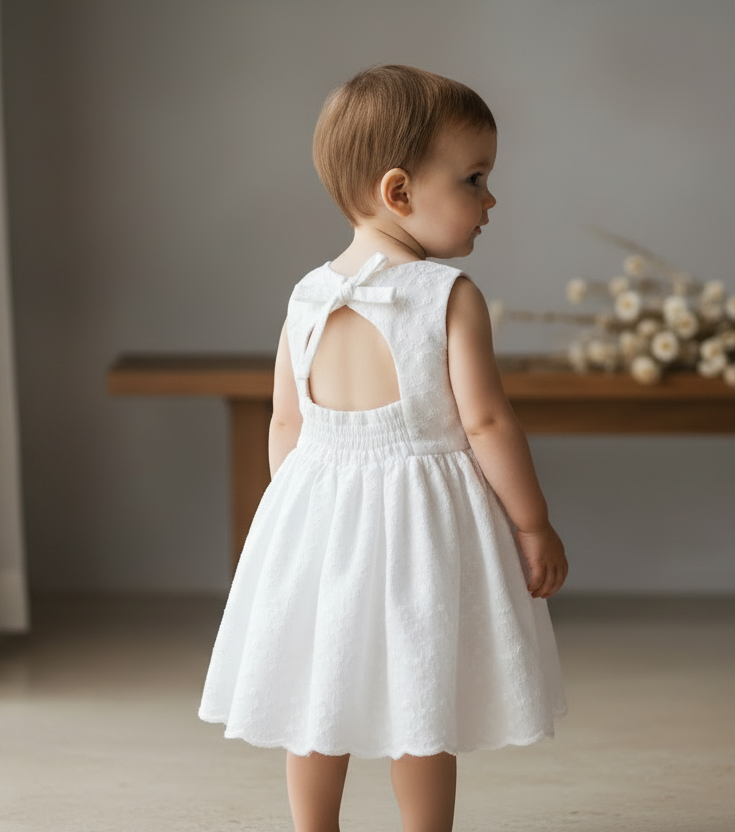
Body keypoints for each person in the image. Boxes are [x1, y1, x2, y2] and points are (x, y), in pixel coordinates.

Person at [199, 64, 568, 832]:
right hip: (420, 527)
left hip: (319, 517)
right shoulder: (446, 296)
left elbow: (285, 425)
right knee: (420, 695)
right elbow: (487, 424)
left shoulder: (306, 296)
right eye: (474, 179)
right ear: (399, 192)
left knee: (318, 692)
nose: (491, 200)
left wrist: (294, 527)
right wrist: (532, 524)